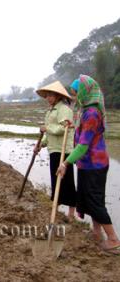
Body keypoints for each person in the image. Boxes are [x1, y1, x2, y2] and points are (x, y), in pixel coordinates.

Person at [57, 75, 120, 254]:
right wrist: (72, 125)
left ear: (85, 92)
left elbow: (84, 145)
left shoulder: (92, 113)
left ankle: (114, 240)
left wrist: (66, 163)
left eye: (76, 93)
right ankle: (96, 233)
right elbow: (82, 131)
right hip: (86, 164)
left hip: (95, 164)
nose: (74, 97)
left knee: (95, 201)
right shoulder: (84, 110)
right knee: (88, 199)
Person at [35, 81, 76, 220]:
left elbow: (63, 128)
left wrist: (47, 128)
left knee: (67, 180)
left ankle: (71, 211)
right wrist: (42, 144)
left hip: (64, 149)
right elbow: (50, 133)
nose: (48, 98)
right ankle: (56, 204)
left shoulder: (64, 110)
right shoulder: (50, 111)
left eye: (51, 95)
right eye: (47, 95)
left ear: (58, 96)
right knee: (55, 178)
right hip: (54, 149)